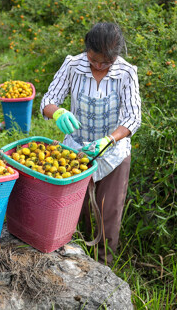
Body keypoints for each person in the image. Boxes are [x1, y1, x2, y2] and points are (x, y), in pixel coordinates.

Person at [40, 22, 141, 265]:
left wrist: (109, 139)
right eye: (93, 59)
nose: (97, 66)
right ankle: (77, 258)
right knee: (75, 207)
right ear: (87, 50)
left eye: (104, 62)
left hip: (113, 152)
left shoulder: (126, 73)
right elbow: (48, 100)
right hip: (76, 149)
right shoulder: (73, 65)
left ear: (115, 56)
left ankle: (105, 263)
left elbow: (133, 117)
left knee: (110, 210)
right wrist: (57, 113)